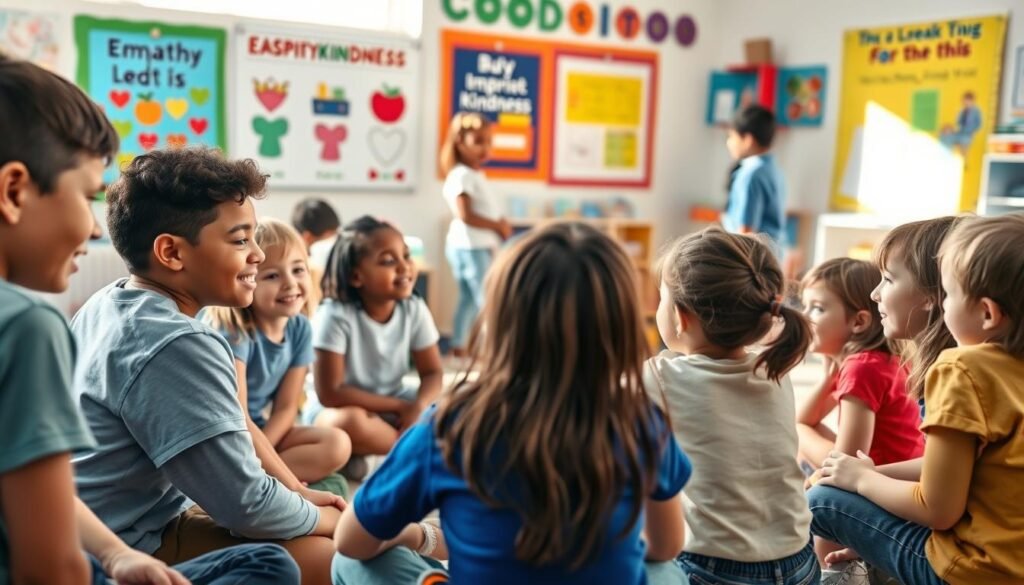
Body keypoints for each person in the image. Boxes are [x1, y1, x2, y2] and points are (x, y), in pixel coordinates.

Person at [0, 54, 299, 585]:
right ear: (14, 191)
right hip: (107, 541)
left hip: (112, 535)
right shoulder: (26, 324)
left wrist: (116, 555)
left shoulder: (101, 304)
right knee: (287, 561)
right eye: (88, 194)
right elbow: (51, 566)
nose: (94, 226)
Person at [331, 222, 690, 584]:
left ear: (500, 319)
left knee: (347, 564)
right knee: (667, 572)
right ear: (619, 324)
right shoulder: (642, 421)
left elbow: (350, 541)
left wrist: (422, 535)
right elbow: (666, 545)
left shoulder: (447, 426)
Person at [71, 147, 342, 585]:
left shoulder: (110, 299)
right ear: (172, 253)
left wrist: (295, 492)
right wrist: (329, 521)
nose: (257, 254)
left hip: (105, 524)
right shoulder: (178, 343)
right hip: (123, 545)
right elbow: (248, 504)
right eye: (240, 240)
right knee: (327, 559)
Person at [809, 213, 1024, 585]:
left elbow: (938, 509)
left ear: (987, 312)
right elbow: (963, 466)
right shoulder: (1009, 367)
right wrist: (868, 475)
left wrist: (862, 482)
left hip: (972, 570)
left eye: (948, 293)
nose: (875, 293)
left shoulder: (961, 369)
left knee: (820, 499)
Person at [648, 226, 818, 584]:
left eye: (661, 297)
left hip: (712, 569)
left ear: (681, 317)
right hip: (800, 561)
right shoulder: (775, 369)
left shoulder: (661, 376)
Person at [796, 258, 924, 582]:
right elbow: (806, 419)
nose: (805, 316)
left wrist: (805, 477)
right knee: (800, 437)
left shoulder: (862, 367)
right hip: (894, 480)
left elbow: (846, 458)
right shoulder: (877, 360)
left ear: (858, 322)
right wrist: (830, 369)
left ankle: (837, 574)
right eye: (805, 306)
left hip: (884, 485)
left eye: (818, 309)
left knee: (816, 485)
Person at [203, 218, 351, 487]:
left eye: (298, 270)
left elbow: (285, 409)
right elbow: (238, 417)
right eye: (272, 275)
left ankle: (257, 477)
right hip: (224, 436)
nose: (290, 284)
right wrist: (281, 472)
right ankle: (257, 481)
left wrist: (264, 456)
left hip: (259, 432)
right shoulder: (233, 331)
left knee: (337, 443)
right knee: (332, 484)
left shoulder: (300, 328)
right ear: (247, 281)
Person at [310, 216, 443, 470]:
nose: (405, 267)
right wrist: (402, 407)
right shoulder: (334, 314)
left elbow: (433, 372)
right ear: (356, 276)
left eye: (406, 256)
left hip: (393, 405)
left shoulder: (413, 308)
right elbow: (330, 393)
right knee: (350, 423)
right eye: (389, 261)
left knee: (454, 408)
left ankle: (363, 455)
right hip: (339, 410)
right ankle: (411, 453)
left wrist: (419, 406)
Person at [439, 112, 511, 356]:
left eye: (488, 141)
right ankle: (493, 349)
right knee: (486, 299)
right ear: (460, 142)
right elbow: (466, 215)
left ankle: (459, 345)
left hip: (473, 245)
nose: (485, 148)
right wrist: (497, 226)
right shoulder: (462, 175)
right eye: (478, 141)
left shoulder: (472, 174)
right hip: (471, 246)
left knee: (469, 299)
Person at [722, 105, 787, 252]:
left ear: (748, 140)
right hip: (773, 254)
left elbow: (746, 231)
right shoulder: (774, 170)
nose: (729, 143)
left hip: (753, 256)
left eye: (731, 136)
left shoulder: (751, 174)